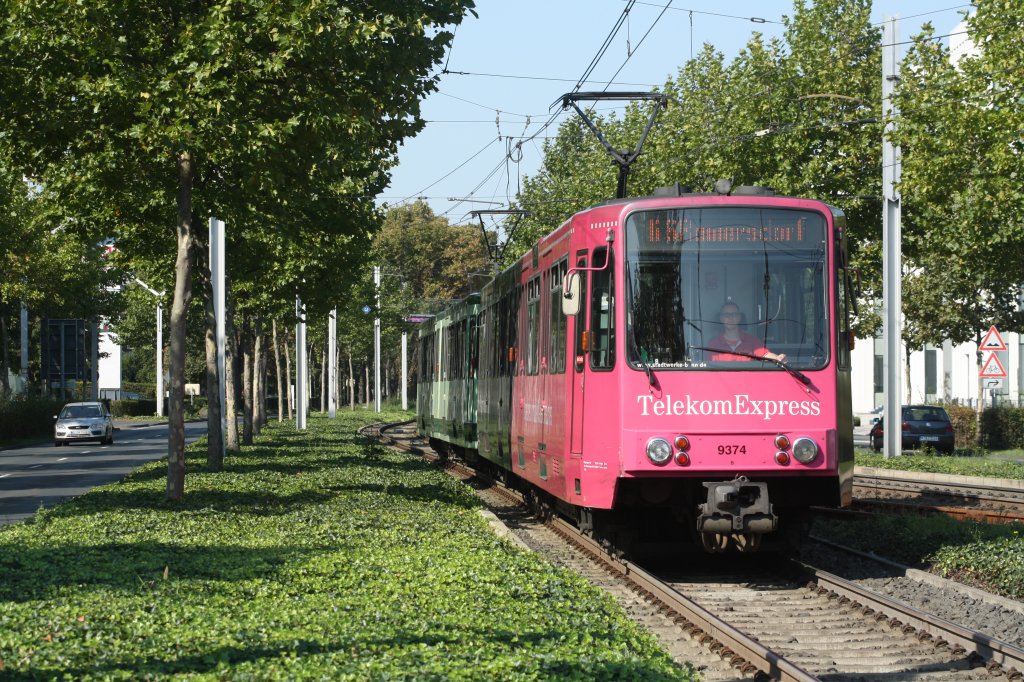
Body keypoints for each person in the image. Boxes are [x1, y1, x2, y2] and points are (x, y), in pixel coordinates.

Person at [707, 302, 786, 362]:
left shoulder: (752, 340)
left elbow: (765, 355)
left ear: (740, 317)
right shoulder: (713, 344)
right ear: (721, 318)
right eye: (726, 314)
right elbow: (708, 367)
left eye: (734, 314)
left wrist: (778, 358)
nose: (730, 317)